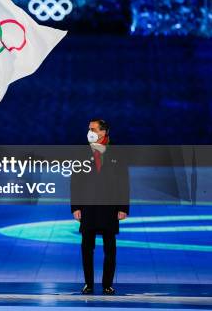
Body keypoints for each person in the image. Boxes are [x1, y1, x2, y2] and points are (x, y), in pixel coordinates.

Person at [71, 119, 129, 295]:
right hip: (88, 207)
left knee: (110, 249)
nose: (89, 131)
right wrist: (76, 207)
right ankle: (88, 284)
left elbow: (123, 181)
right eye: (89, 128)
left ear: (103, 132)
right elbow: (76, 181)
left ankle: (107, 285)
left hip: (109, 208)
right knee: (87, 248)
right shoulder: (82, 152)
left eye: (93, 129)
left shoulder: (117, 152)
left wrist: (123, 207)